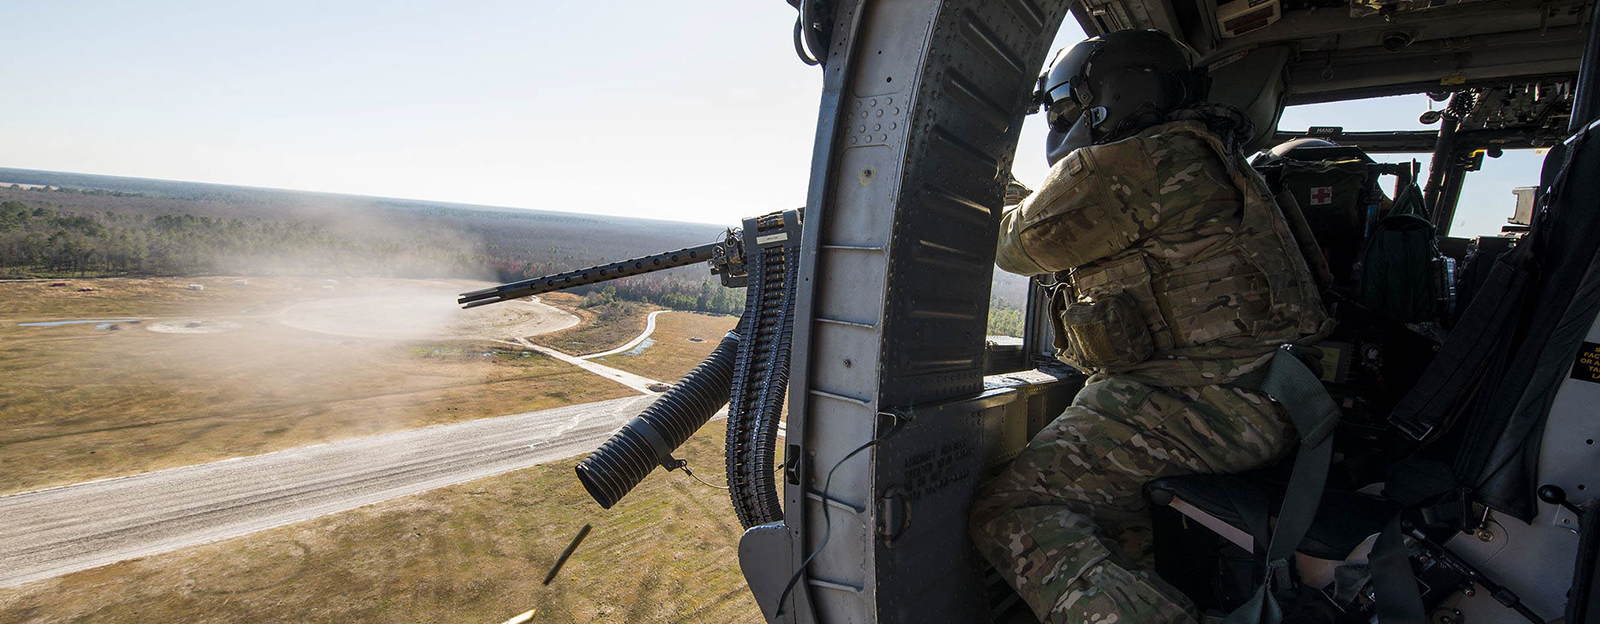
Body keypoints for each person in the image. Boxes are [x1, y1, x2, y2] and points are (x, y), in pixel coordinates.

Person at [970, 29, 1332, 624]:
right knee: (1112, 518)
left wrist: (989, 186)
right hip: (1263, 394)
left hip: (1203, 401)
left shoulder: (1138, 162)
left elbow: (1016, 245)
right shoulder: (1202, 153)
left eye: (1067, 107)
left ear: (1112, 95)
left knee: (1011, 509)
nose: (1063, 123)